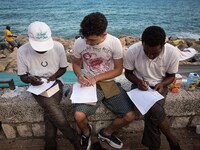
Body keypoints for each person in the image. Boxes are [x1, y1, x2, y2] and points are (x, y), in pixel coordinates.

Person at [72, 12, 136, 150]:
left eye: (92, 40)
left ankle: (106, 133)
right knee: (78, 115)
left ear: (104, 34)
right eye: (86, 38)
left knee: (129, 115)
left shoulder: (114, 42)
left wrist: (96, 78)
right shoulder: (79, 42)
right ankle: (86, 132)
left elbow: (119, 70)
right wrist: (79, 75)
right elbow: (76, 64)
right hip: (89, 85)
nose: (88, 43)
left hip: (109, 83)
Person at [17, 21, 82, 150]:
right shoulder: (22, 51)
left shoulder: (57, 47)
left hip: (55, 82)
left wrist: (54, 76)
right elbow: (22, 76)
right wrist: (31, 79)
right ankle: (73, 138)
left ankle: (50, 143)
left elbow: (63, 68)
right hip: (37, 86)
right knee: (50, 106)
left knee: (49, 109)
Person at [123, 26, 181, 150]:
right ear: (142, 42)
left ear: (163, 45)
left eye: (155, 53)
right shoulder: (133, 51)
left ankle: (155, 146)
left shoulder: (173, 52)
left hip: (160, 86)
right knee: (154, 108)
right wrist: (138, 82)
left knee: (152, 111)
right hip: (139, 86)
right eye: (146, 51)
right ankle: (172, 139)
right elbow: (127, 73)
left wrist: (163, 84)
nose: (150, 55)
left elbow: (171, 76)